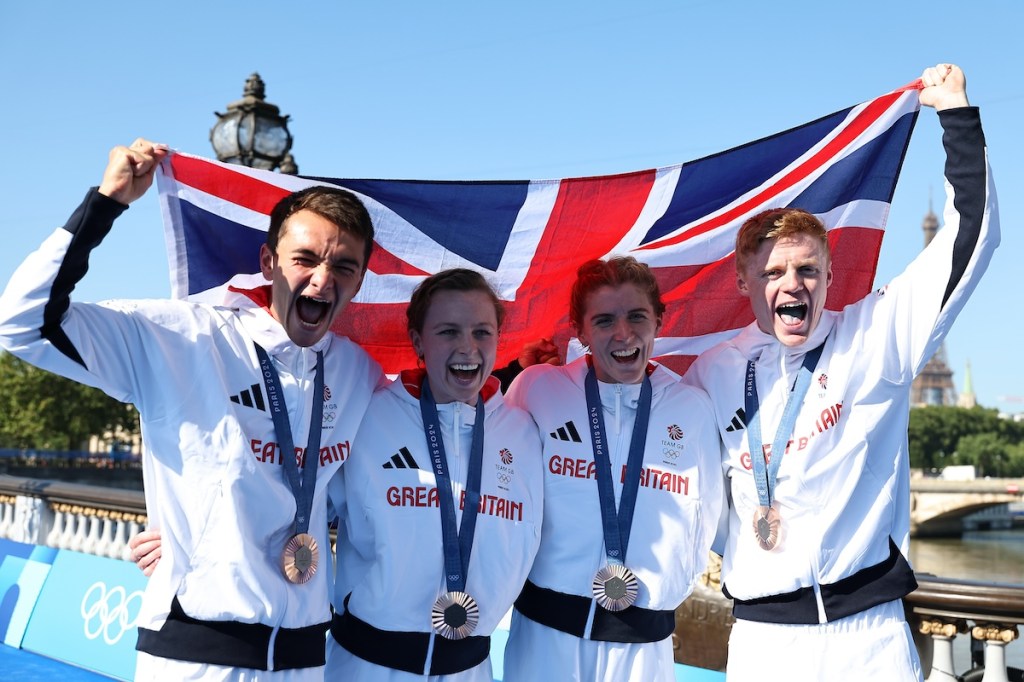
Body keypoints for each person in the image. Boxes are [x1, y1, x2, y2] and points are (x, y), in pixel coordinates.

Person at [0, 139, 385, 680]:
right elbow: (23, 323)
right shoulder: (184, 337)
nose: (323, 279)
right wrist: (105, 204)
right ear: (268, 262)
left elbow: (394, 474)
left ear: (360, 280)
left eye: (344, 266)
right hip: (196, 654)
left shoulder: (358, 374)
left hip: (303, 657)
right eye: (305, 259)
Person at [681, 64, 998, 682]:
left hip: (869, 640)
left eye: (806, 270)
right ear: (744, 282)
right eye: (773, 273)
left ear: (830, 275)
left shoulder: (875, 336)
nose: (791, 285)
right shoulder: (711, 375)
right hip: (762, 641)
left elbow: (969, 239)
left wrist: (956, 116)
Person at [501, 256, 724, 681]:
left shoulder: (691, 409)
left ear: (659, 318)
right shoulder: (539, 389)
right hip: (546, 640)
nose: (623, 334)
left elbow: (708, 516)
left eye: (637, 316)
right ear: (579, 329)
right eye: (604, 321)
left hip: (643, 650)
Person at [325, 268, 544, 681]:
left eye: (482, 332)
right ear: (417, 341)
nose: (467, 347)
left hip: (469, 669)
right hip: (366, 666)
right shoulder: (368, 414)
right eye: (448, 332)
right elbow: (296, 494)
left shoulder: (526, 430)